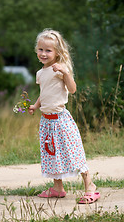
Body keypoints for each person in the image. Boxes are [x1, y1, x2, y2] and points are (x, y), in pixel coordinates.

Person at [28, 29, 100, 204]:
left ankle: (90, 186)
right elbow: (44, 93)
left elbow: (73, 89)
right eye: (40, 49)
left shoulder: (60, 69)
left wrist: (65, 72)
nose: (43, 54)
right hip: (46, 121)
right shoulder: (40, 73)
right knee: (51, 154)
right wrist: (36, 106)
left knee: (72, 152)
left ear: (57, 52)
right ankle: (57, 188)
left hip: (60, 120)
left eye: (48, 50)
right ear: (36, 50)